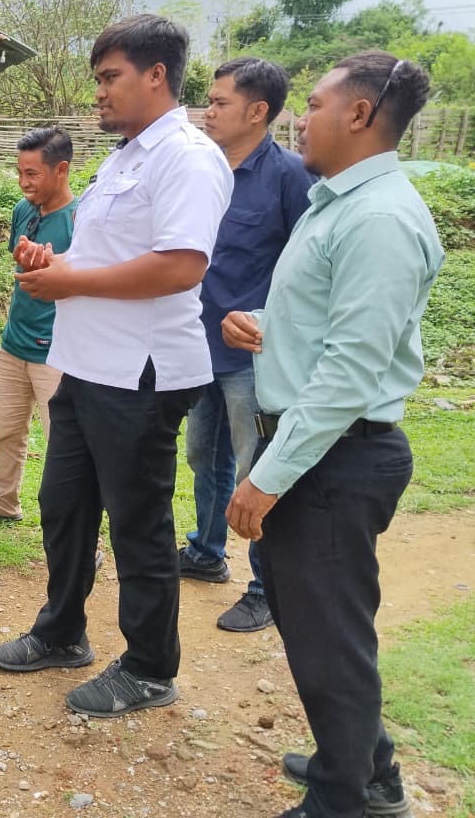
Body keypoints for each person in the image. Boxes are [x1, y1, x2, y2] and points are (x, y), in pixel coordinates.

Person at [0, 14, 232, 719]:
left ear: (156, 75)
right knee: (63, 506)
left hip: (141, 374)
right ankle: (61, 631)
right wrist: (54, 262)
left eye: (109, 77)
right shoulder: (124, 159)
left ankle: (150, 668)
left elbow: (181, 265)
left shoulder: (186, 157)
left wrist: (71, 281)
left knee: (137, 522)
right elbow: (102, 257)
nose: (98, 91)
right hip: (84, 365)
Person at [224, 52, 441, 818]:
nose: (298, 117)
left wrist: (267, 475)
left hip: (334, 456)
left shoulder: (378, 219)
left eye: (313, 104)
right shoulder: (340, 205)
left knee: (330, 642)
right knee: (318, 627)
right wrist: (265, 325)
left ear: (358, 114)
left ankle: (344, 800)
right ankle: (366, 769)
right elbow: (331, 323)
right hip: (318, 450)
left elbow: (350, 373)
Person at [179, 58, 316, 633]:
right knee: (202, 456)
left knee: (257, 466)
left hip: (254, 357)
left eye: (219, 103)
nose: (206, 112)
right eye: (208, 101)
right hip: (198, 345)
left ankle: (265, 585)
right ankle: (207, 551)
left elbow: (308, 268)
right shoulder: (201, 169)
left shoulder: (289, 177)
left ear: (258, 112)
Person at [0, 127, 76, 524]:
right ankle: (5, 502)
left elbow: (87, 285)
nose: (24, 182)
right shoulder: (23, 211)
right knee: (7, 430)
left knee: (63, 444)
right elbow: (19, 258)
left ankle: (78, 533)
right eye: (20, 173)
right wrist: (27, 257)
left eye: (32, 174)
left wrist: (55, 267)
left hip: (57, 351)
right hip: (14, 342)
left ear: (61, 170)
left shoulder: (80, 220)